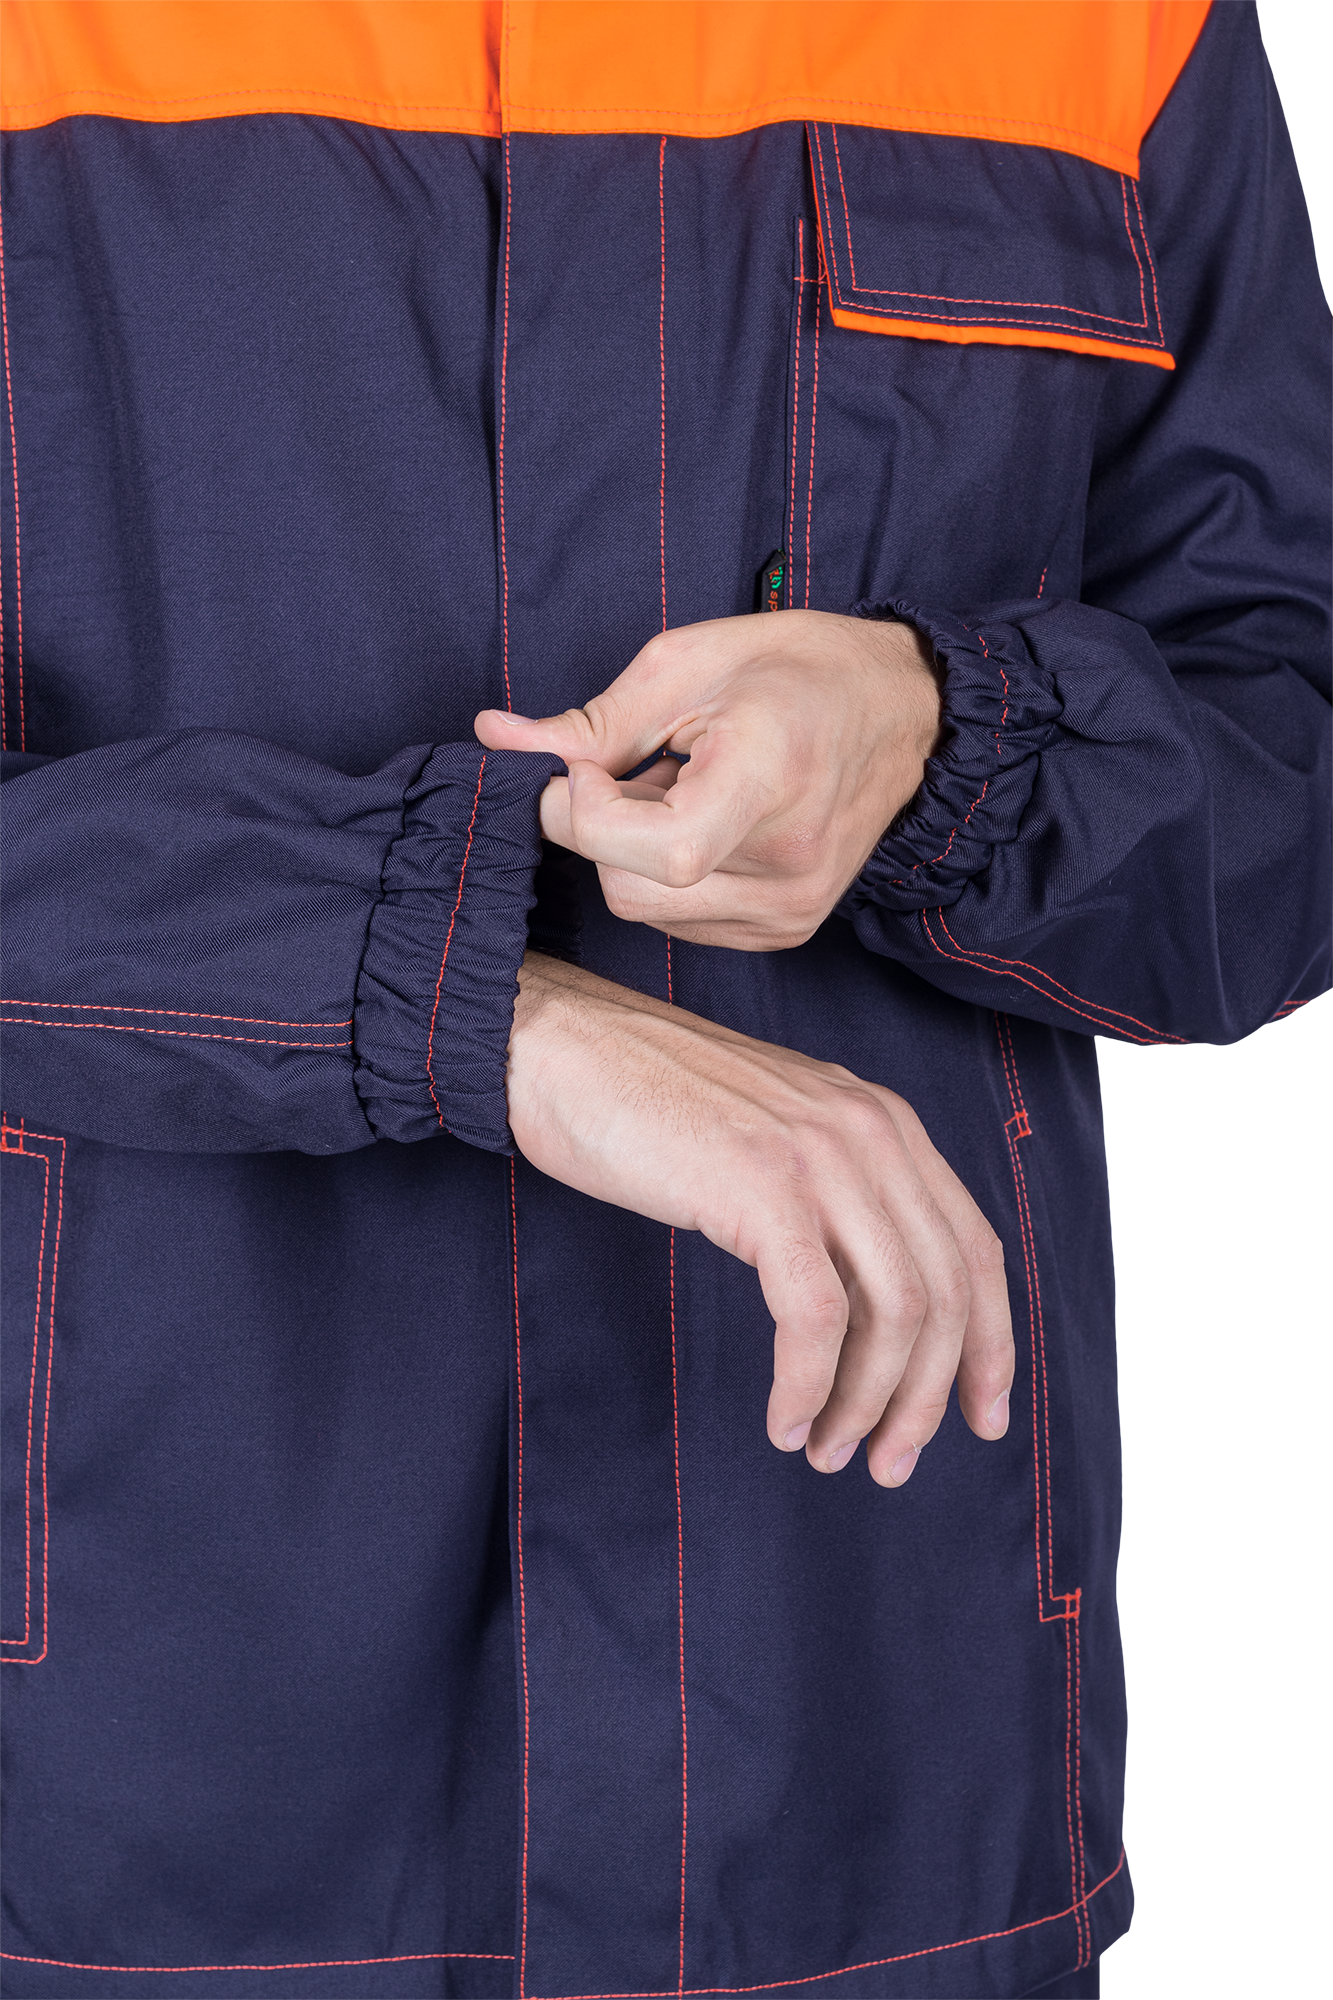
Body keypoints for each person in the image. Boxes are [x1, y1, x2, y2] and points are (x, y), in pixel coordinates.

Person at [0, 1, 1329, 1996]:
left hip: (872, 1780)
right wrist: (485, 1006)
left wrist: (934, 728)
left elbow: (1293, 754)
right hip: (145, 1803)